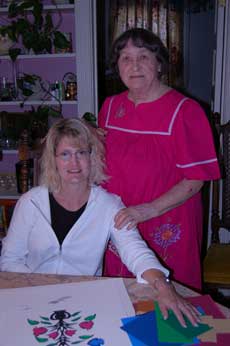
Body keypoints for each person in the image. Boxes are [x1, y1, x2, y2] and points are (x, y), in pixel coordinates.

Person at [0, 118, 200, 327]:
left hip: (83, 300)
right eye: (65, 154)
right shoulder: (30, 202)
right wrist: (39, 291)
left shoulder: (109, 205)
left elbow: (135, 251)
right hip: (31, 299)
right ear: (53, 160)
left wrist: (163, 285)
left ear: (92, 156)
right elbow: (9, 259)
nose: (74, 163)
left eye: (82, 153)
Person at [98, 28, 220, 291]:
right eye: (126, 58)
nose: (135, 66)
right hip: (119, 220)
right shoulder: (109, 107)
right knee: (119, 295)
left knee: (169, 304)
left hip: (165, 219)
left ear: (159, 63)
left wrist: (147, 210)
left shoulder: (186, 111)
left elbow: (196, 179)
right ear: (117, 66)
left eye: (143, 56)